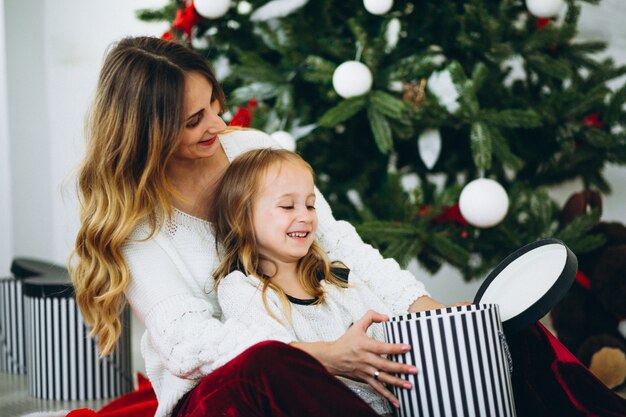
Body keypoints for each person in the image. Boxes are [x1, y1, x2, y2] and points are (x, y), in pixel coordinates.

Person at [70, 36, 447, 417]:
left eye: (215, 106)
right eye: (194, 120)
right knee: (264, 365)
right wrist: (325, 357)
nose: (219, 125)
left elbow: (341, 246)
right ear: (149, 133)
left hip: (307, 376)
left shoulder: (251, 150)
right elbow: (189, 344)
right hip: (217, 393)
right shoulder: (136, 222)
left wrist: (434, 313)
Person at [210, 148, 421, 415]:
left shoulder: (338, 279)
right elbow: (274, 363)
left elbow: (392, 334)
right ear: (243, 217)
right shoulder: (243, 289)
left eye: (310, 205)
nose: (305, 216)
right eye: (287, 206)